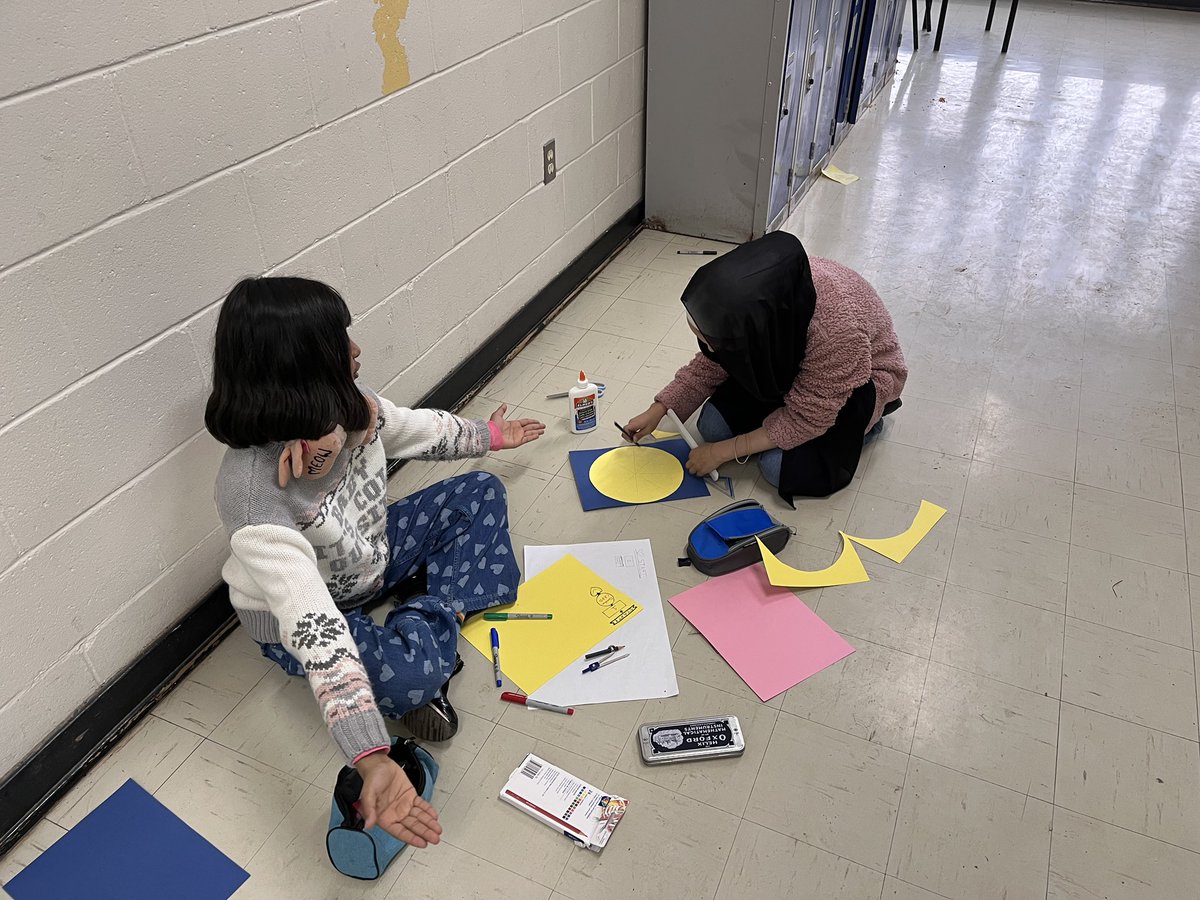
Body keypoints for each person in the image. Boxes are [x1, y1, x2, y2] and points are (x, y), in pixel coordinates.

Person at [205, 276, 544, 846]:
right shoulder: (250, 494)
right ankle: (428, 640)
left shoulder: (345, 411)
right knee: (412, 674)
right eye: (341, 340)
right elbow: (314, 625)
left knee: (481, 491)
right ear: (297, 367)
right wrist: (370, 754)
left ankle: (422, 618)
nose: (356, 351)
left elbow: (417, 428)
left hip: (373, 559)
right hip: (313, 607)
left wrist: (487, 435)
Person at [624, 232, 906, 503]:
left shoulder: (836, 332)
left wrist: (723, 452)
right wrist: (659, 408)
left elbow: (808, 418)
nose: (707, 349)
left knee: (776, 468)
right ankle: (775, 422)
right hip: (794, 365)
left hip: (859, 384)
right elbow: (712, 363)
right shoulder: (760, 308)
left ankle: (868, 427)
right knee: (712, 426)